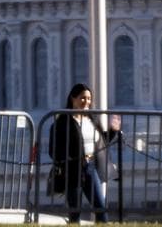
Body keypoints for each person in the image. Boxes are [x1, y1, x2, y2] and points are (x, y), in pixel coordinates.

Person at [49, 84, 122, 223]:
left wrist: (113, 130)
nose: (86, 102)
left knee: (100, 207)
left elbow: (102, 141)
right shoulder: (63, 121)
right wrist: (67, 159)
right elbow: (54, 149)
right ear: (73, 98)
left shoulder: (91, 119)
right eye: (83, 98)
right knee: (75, 211)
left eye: (89, 98)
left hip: (90, 167)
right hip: (72, 170)